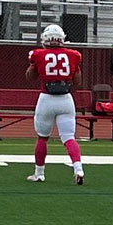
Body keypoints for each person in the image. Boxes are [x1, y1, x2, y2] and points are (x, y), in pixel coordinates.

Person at [25, 24, 85, 185]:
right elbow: (77, 82)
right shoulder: (73, 55)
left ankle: (39, 173)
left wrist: (34, 65)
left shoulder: (38, 54)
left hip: (46, 99)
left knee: (42, 138)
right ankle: (78, 169)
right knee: (69, 138)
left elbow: (30, 77)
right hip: (65, 99)